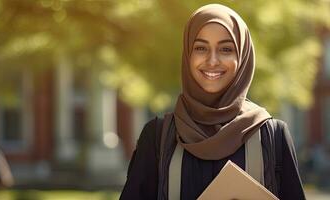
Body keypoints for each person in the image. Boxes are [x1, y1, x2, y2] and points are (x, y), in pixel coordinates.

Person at [120, 4, 305, 200]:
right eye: (201, 48)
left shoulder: (272, 137)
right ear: (188, 55)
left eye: (226, 49)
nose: (212, 60)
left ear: (242, 57)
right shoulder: (157, 138)